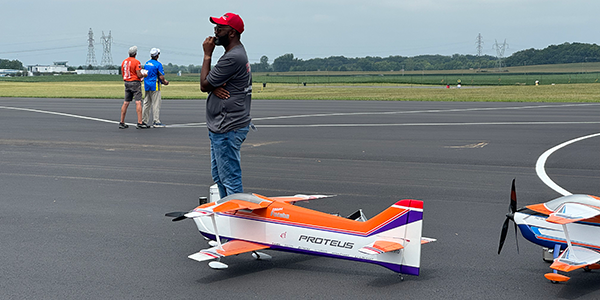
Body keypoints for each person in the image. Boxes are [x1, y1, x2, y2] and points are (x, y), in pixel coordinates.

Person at [200, 12, 252, 197]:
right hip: (222, 126)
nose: (215, 32)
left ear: (232, 33)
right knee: (220, 176)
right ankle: (227, 211)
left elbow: (204, 84)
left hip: (227, 126)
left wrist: (207, 55)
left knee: (229, 178)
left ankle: (236, 217)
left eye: (220, 28)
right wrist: (213, 88)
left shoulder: (232, 57)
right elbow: (211, 84)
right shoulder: (233, 54)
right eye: (215, 28)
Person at [120, 46, 149, 129]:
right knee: (138, 101)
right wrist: (144, 75)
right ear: (135, 53)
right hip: (135, 82)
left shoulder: (124, 62)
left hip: (127, 82)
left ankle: (122, 121)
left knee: (126, 102)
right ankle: (140, 122)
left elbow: (123, 73)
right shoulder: (136, 62)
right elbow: (139, 74)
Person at [143, 48, 169, 128]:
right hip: (155, 86)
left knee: (146, 103)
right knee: (156, 104)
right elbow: (161, 77)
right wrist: (165, 82)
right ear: (157, 56)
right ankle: (156, 121)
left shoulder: (147, 63)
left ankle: (144, 121)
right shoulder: (158, 64)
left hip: (147, 85)